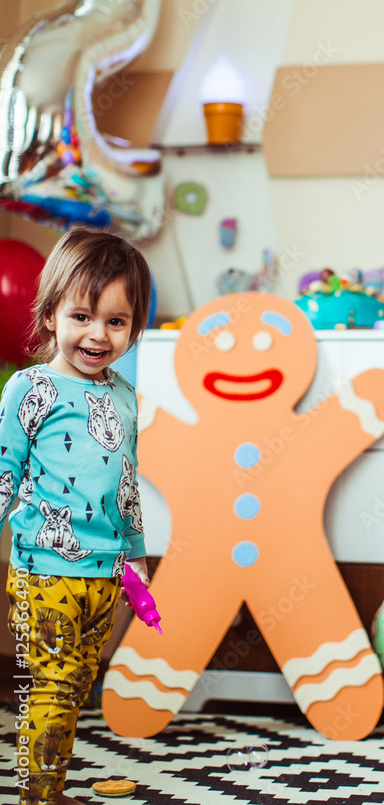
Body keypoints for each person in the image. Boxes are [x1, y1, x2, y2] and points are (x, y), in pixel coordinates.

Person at [1, 227, 152, 805]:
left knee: (77, 683)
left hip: (104, 572)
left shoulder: (122, 395)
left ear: (133, 328)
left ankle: (49, 786)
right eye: (82, 316)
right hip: (45, 570)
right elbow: (3, 470)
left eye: (116, 322)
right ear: (50, 314)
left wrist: (136, 563)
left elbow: (128, 484)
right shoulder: (29, 388)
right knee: (52, 686)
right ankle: (38, 794)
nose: (97, 334)